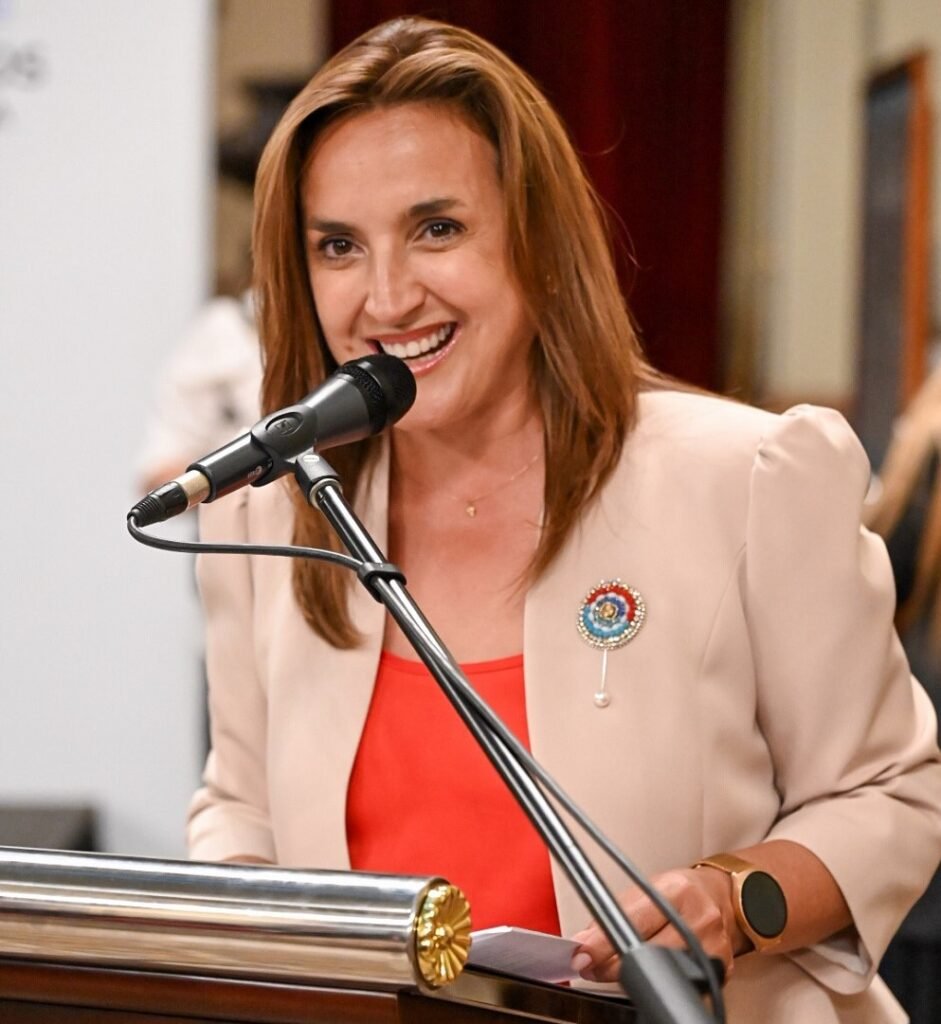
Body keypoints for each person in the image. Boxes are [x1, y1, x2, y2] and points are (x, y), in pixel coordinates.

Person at [186, 16, 941, 1022]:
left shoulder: (748, 477)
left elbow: (888, 794)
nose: (387, 296)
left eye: (436, 229)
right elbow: (241, 808)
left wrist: (730, 900)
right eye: (338, 246)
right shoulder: (269, 516)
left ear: (536, 242)